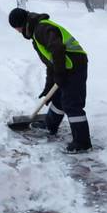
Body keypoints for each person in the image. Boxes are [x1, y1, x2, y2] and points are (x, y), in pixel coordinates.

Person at [8, 8, 92, 153]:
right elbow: (50, 63)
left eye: (17, 28)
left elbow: (58, 49)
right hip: (66, 66)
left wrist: (59, 74)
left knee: (72, 104)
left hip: (75, 65)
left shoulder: (42, 28)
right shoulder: (36, 34)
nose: (18, 32)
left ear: (21, 24)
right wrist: (49, 86)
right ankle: (50, 125)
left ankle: (82, 142)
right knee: (58, 97)